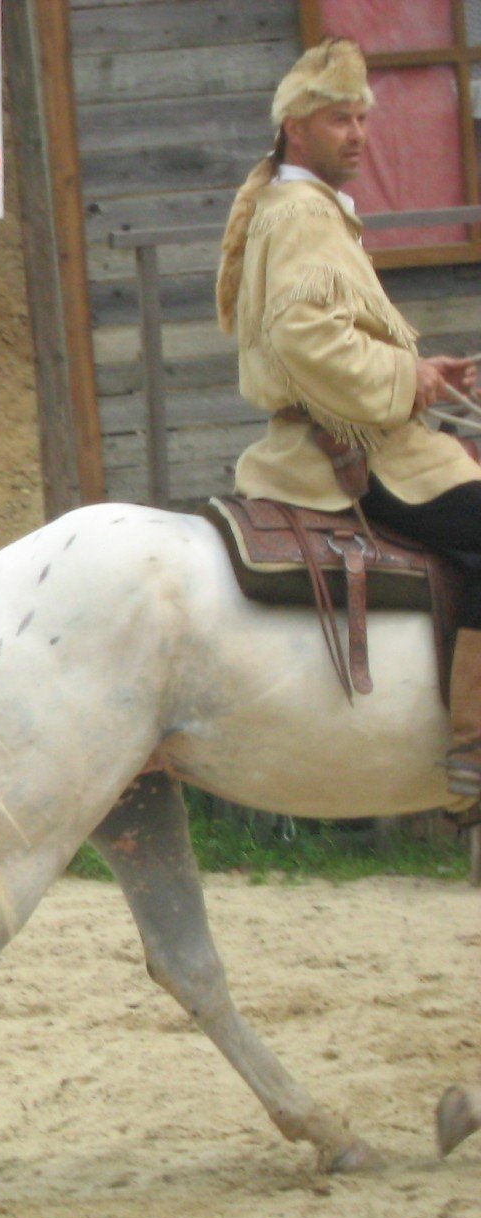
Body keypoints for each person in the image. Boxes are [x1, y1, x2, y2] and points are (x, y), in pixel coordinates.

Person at [217, 38, 481, 797]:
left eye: (363, 118)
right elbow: (306, 338)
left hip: (368, 431)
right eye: (340, 120)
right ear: (297, 128)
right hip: (353, 453)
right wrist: (411, 381)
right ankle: (472, 743)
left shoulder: (299, 203)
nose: (359, 135)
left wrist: (423, 374)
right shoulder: (303, 211)